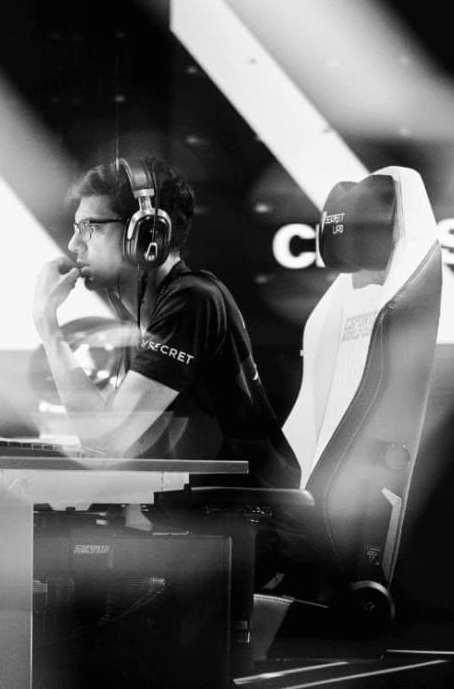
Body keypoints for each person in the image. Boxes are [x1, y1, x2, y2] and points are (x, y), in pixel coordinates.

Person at [32, 155, 299, 489]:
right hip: (190, 506)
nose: (74, 245)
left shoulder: (193, 300)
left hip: (238, 509)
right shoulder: (147, 314)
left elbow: (105, 440)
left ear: (145, 233)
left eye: (90, 227)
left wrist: (48, 326)